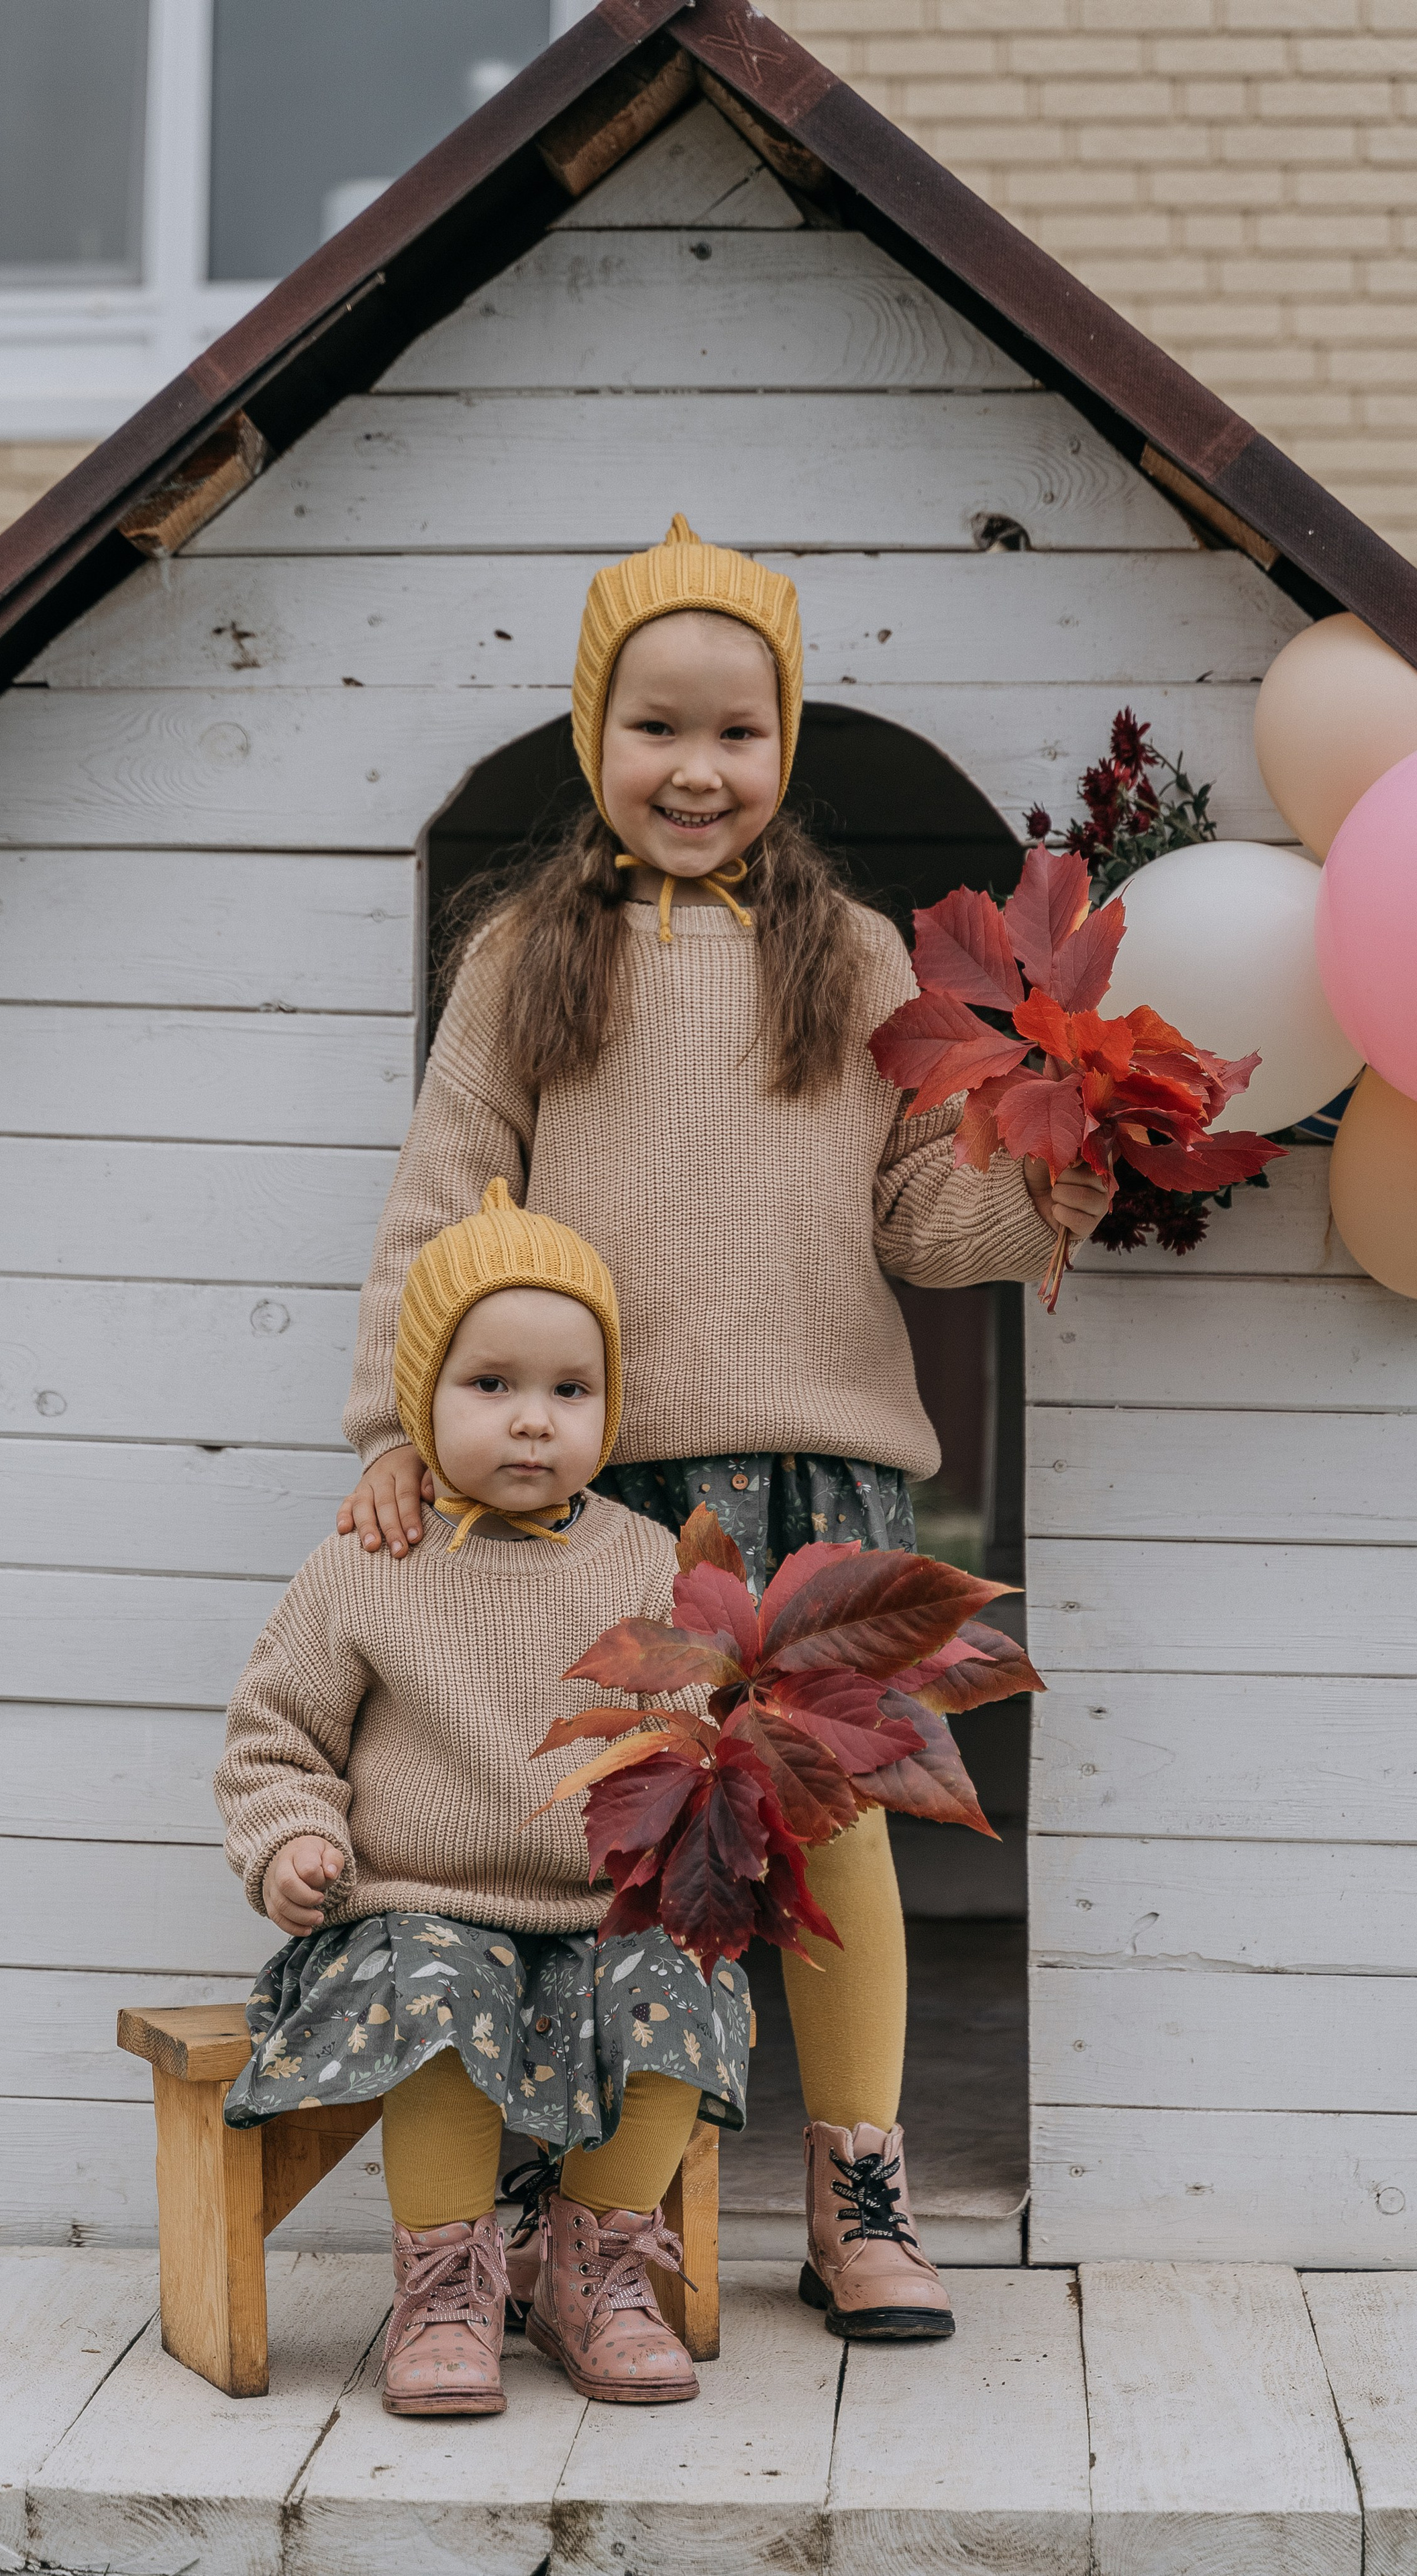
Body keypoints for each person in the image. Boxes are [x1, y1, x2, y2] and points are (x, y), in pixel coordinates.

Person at [336, 516, 1109, 2340]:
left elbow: (930, 1213)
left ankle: (858, 2191)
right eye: (656, 727)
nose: (698, 770)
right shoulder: (525, 954)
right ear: (596, 733)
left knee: (835, 1838)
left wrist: (1059, 1189)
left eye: (738, 733)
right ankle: (580, 2216)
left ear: (787, 744)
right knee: (607, 1852)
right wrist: (393, 1424)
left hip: (824, 1475)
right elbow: (443, 1204)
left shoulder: (845, 959)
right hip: (601, 1495)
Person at [217, 1181, 750, 2417]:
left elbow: (693, 1731)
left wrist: (702, 1830)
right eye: (491, 1385)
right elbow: (274, 1733)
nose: (532, 1422)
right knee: (442, 1995)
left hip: (600, 1910)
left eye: (571, 1391)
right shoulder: (367, 1563)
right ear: (421, 1398)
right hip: (419, 1910)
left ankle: (596, 2265)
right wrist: (295, 1836)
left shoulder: (647, 1559)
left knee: (686, 1979)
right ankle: (447, 2282)